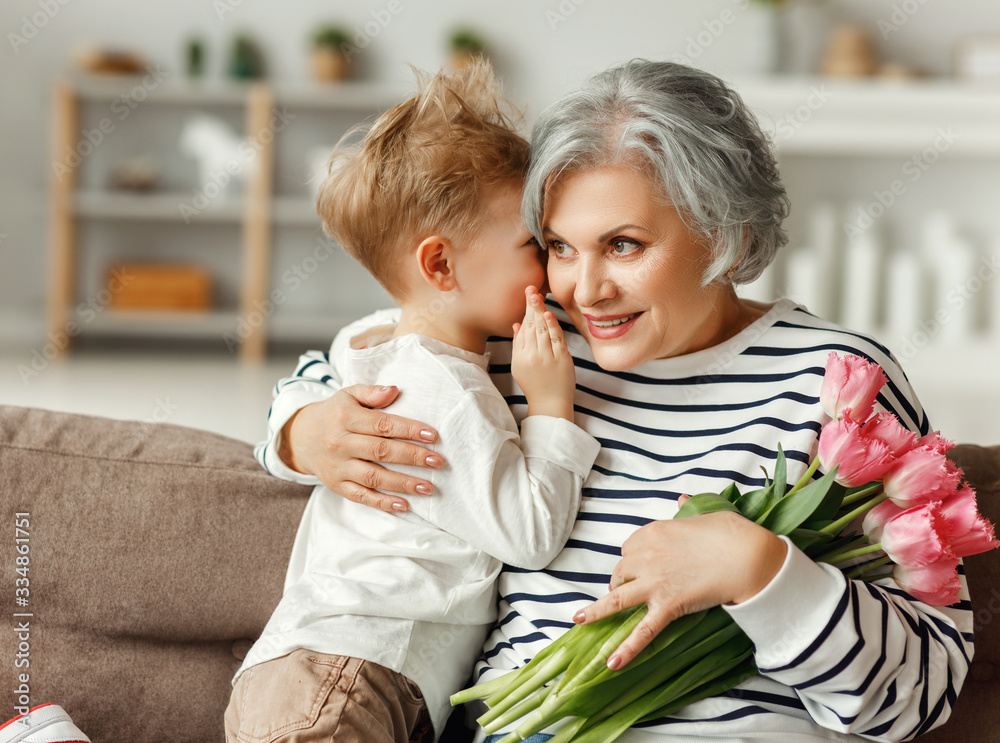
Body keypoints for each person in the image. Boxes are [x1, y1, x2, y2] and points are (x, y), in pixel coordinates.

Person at [258, 61, 972, 742]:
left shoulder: (835, 378)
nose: (583, 289)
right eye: (559, 247)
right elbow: (365, 356)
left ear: (725, 231)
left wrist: (759, 569)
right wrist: (299, 429)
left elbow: (924, 688)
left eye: (623, 246)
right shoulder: (525, 342)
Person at [224, 61, 600, 743]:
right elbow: (531, 534)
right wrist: (550, 408)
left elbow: (331, 362)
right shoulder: (450, 393)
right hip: (356, 672)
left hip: (315, 664)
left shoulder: (368, 342)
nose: (549, 264)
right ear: (440, 266)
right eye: (531, 244)